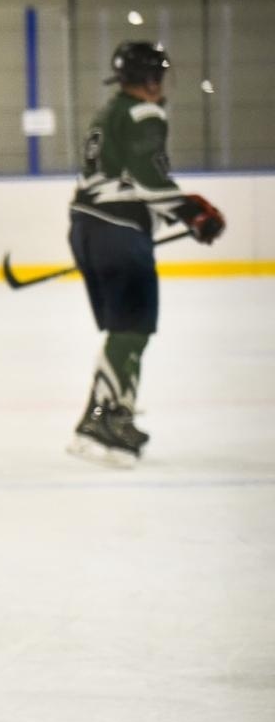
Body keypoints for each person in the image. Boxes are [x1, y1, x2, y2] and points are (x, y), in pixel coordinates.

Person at [67, 41, 226, 467]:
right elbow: (150, 182)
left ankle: (113, 414)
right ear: (151, 79)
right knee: (133, 328)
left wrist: (180, 213)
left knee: (125, 329)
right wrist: (194, 213)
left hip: (87, 227)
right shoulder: (144, 114)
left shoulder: (109, 112)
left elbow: (127, 181)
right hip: (119, 232)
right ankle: (100, 420)